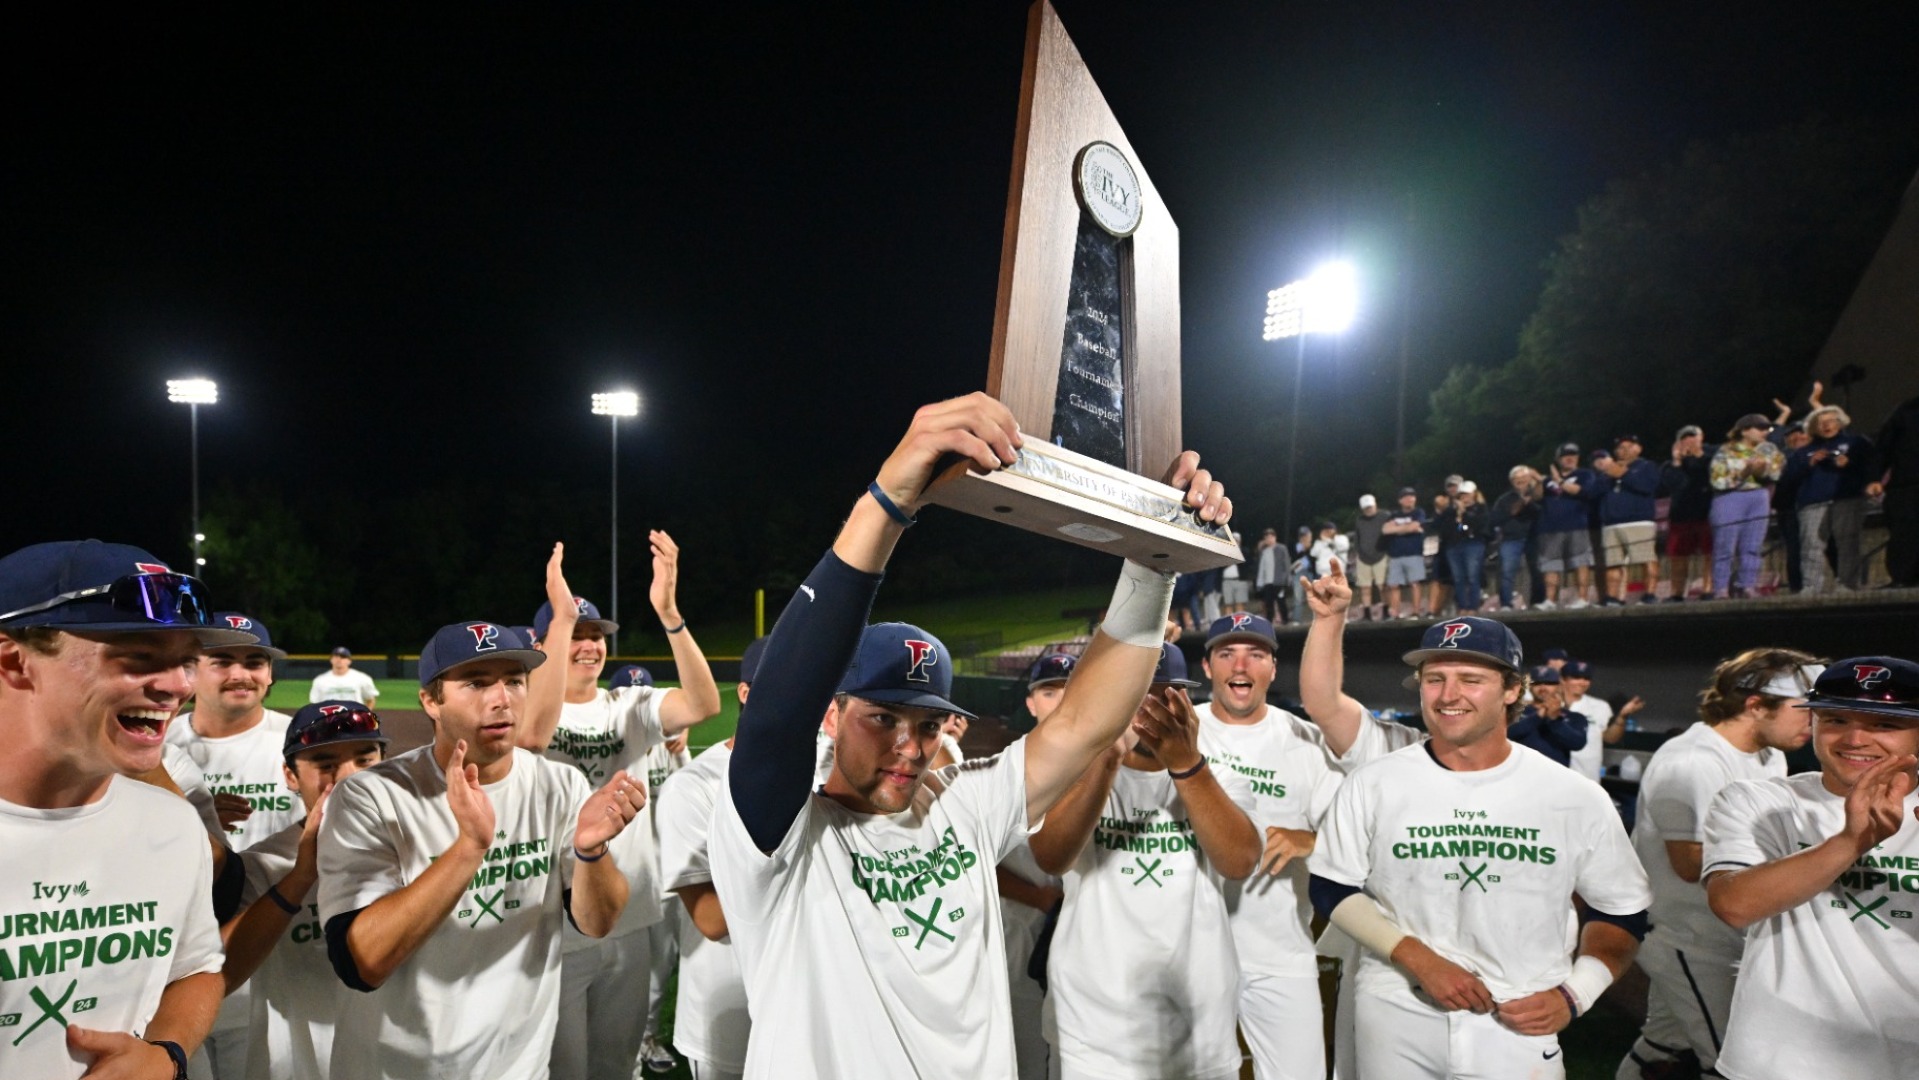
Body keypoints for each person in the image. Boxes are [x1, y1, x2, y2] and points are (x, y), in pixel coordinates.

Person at [706, 393, 1229, 1077]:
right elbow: (777, 710)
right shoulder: (775, 836)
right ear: (829, 716)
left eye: (927, 723)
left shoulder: (960, 803)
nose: (908, 745)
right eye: (882, 717)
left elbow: (1082, 723)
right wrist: (888, 501)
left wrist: (1155, 557)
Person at [1306, 612, 1653, 1078]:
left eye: (1471, 679)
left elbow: (1621, 910)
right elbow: (1332, 885)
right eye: (1434, 679)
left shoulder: (1573, 795)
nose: (1449, 696)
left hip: (1517, 1019)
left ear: (1512, 691)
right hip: (1396, 1008)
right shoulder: (1376, 782)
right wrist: (1419, 958)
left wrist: (1576, 994)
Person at [316, 617, 647, 1080]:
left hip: (517, 1067)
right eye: (475, 682)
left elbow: (597, 922)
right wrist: (469, 849)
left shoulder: (559, 784)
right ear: (431, 701)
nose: (501, 699)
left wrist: (592, 853)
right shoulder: (372, 796)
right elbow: (364, 963)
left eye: (514, 680)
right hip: (391, 1068)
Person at [0, 540, 243, 1080]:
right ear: (14, 662)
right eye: (138, 657)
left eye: (185, 660)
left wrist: (167, 1054)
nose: (179, 685)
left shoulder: (173, 824)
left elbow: (197, 970)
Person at [519, 536, 723, 1080]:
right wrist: (559, 626)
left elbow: (704, 704)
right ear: (544, 640)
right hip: (553, 923)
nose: (589, 646)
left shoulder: (627, 706)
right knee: (562, 1067)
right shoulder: (526, 712)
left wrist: (670, 614)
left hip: (628, 915)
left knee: (614, 1065)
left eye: (595, 636)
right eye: (575, 634)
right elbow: (531, 741)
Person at [1033, 643, 1261, 1080]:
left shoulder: (1222, 777)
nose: (1148, 713)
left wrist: (1186, 764)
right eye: (1134, 697)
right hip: (1093, 1028)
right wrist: (1106, 757)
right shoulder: (1077, 774)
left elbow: (1239, 861)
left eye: (1164, 697)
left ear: (1185, 705)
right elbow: (1051, 857)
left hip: (1197, 1024)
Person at [1702, 656, 1919, 1080]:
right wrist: (1851, 842)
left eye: (1884, 725)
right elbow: (1734, 904)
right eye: (1835, 719)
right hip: (1779, 1059)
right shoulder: (1759, 802)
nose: (1855, 738)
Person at [1614, 650, 1819, 1080]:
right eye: (1804, 711)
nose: (1813, 724)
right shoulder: (1693, 760)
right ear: (1756, 705)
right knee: (1734, 1062)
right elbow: (1690, 865)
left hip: (1720, 928)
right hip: (1687, 935)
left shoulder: (1770, 755)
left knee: (1663, 1044)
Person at [1196, 613, 1343, 1080]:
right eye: (1227, 654)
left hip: (1279, 951)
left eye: (1256, 654)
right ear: (1207, 667)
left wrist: (1312, 840)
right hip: (1190, 950)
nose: (1241, 665)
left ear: (1273, 669)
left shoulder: (1305, 740)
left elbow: (1360, 840)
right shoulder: (1182, 731)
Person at [221, 701, 389, 1080]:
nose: (349, 778)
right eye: (326, 765)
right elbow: (219, 973)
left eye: (365, 760)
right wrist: (299, 880)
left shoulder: (418, 849)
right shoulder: (264, 865)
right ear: (290, 776)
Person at [165, 612, 300, 1080]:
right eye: (223, 660)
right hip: (174, 974)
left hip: (274, 968)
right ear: (190, 670)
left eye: (255, 661)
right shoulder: (156, 745)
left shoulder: (299, 742)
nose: (242, 674)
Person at [992, 652, 1075, 1079]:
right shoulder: (1002, 770)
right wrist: (1040, 898)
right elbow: (977, 860)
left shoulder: (1105, 764)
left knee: (1072, 1055)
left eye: (1068, 690)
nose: (1058, 701)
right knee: (1025, 1055)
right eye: (1048, 691)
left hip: (1083, 936)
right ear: (1030, 704)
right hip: (1020, 932)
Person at [1784, 405, 1879, 592]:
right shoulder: (1803, 452)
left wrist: (1850, 464)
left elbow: (1872, 466)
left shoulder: (1856, 442)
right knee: (1811, 545)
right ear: (1812, 427)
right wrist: (1809, 463)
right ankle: (1811, 586)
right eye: (1820, 423)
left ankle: (1847, 584)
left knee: (1847, 543)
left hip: (1847, 498)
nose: (1826, 426)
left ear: (1840, 422)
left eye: (1830, 421)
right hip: (1812, 502)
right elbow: (1788, 479)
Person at [1709, 414, 1786, 599]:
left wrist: (1761, 471)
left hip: (1759, 496)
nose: (1764, 432)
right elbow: (1717, 480)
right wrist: (1743, 474)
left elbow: (1777, 472)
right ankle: (1720, 588)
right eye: (1759, 428)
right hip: (1729, 497)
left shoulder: (1769, 449)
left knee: (1753, 545)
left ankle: (1747, 585)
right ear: (1744, 430)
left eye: (1766, 428)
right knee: (1725, 545)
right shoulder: (1726, 450)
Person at [1594, 434, 1663, 605]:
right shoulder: (1609, 470)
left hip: (1638, 521)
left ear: (1638, 449)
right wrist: (1607, 474)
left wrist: (1624, 474)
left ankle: (1650, 595)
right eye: (1620, 448)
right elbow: (1594, 493)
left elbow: (1649, 487)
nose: (1623, 450)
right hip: (1611, 524)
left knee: (1645, 559)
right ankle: (1612, 597)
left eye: (1629, 446)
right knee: (1613, 563)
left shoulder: (1646, 466)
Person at [1537, 443, 1597, 609]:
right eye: (1566, 455)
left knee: (1580, 562)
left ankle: (1583, 599)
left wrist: (1560, 481)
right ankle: (1550, 600)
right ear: (1558, 459)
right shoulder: (1548, 480)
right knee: (1550, 565)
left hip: (1576, 525)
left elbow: (1582, 492)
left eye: (1573, 455)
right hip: (1550, 528)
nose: (1570, 458)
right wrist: (1536, 481)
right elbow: (1536, 497)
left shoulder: (1585, 474)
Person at [1661, 425, 1715, 602]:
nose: (1689, 441)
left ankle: (1708, 589)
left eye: (1693, 437)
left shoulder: (1711, 456)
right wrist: (1677, 461)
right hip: (1680, 515)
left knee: (1709, 553)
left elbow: (1714, 475)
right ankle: (1676, 593)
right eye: (1685, 438)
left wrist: (1698, 455)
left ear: (1701, 438)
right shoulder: (1671, 465)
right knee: (1678, 556)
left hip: (1706, 512)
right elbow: (1672, 485)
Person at [1563, 660, 1640, 783]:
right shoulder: (1549, 704)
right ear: (1563, 679)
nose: (1582, 682)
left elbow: (1610, 738)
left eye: (1586, 678)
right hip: (1555, 776)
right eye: (1576, 677)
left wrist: (1622, 717)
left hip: (1587, 778)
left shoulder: (1600, 706)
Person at [1876, 395, 1919, 587]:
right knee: (1904, 532)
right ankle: (1903, 577)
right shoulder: (1906, 411)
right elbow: (1884, 447)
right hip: (1907, 483)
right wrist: (1874, 478)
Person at [1507, 665, 1587, 767]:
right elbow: (1506, 734)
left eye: (1549, 683)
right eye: (1537, 683)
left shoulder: (1574, 717)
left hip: (1556, 778)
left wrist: (1554, 720)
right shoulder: (1514, 712)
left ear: (1559, 686)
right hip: (1520, 774)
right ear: (1530, 687)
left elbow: (1578, 744)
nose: (1543, 687)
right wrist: (1539, 716)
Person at [1489, 466, 1541, 612]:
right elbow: (1496, 519)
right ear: (1512, 481)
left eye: (1524, 479)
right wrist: (1519, 504)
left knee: (1537, 571)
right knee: (1507, 571)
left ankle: (1538, 602)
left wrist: (1529, 501)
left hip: (1533, 537)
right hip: (1511, 539)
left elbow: (1540, 512)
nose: (1521, 482)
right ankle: (1506, 604)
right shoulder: (1504, 499)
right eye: (1517, 480)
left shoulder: (1537, 496)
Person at [1443, 481, 1491, 614]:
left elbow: (1477, 526)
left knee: (1472, 576)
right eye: (1462, 495)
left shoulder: (1480, 509)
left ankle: (1473, 606)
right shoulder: (1451, 511)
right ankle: (1462, 606)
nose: (1465, 498)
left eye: (1467, 495)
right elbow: (1449, 528)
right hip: (1454, 546)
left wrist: (1464, 514)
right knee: (1458, 578)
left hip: (1473, 544)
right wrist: (1457, 515)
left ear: (1474, 494)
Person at [1381, 487, 1427, 619]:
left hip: (1414, 553)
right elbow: (1385, 530)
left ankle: (1416, 612)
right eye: (1406, 497)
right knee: (1394, 585)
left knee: (1415, 583)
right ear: (1400, 500)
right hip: (1395, 555)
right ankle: (1394, 613)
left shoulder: (1419, 512)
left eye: (1412, 496)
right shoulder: (1394, 515)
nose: (1409, 499)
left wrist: (1397, 529)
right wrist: (1407, 529)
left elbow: (1415, 526)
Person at [1350, 494, 1389, 621]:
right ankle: (1367, 614)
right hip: (1363, 558)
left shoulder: (1385, 516)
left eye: (1370, 507)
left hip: (1381, 555)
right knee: (1365, 587)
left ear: (1375, 504)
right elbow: (1357, 539)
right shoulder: (1359, 520)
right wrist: (1359, 553)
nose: (1369, 510)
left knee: (1382, 585)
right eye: (1366, 508)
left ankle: (1386, 612)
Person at [309, 647, 379, 707]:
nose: (339, 659)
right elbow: (315, 704)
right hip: (329, 719)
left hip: (354, 718)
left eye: (343, 657)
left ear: (349, 661)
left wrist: (365, 716)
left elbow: (371, 699)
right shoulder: (320, 680)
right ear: (331, 660)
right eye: (336, 656)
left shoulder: (362, 678)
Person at [1255, 528, 1283, 624]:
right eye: (1267, 537)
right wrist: (1259, 583)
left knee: (1278, 600)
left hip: (1277, 581)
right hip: (1265, 581)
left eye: (1271, 536)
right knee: (1267, 602)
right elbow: (1261, 569)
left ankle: (1279, 617)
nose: (1269, 539)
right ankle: (1269, 620)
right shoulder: (1263, 552)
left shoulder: (1279, 550)